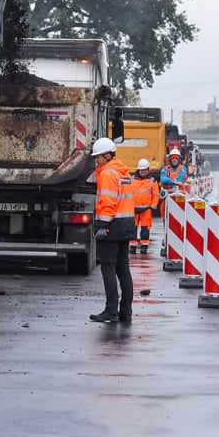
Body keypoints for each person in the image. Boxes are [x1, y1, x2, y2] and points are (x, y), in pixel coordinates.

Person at [89, 137, 137, 324]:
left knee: (108, 268)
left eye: (99, 157)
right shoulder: (123, 173)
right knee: (123, 270)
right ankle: (125, 311)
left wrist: (102, 225)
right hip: (125, 225)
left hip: (112, 226)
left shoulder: (108, 174)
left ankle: (111, 311)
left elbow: (108, 202)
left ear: (108, 155)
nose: (96, 160)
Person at [130, 158, 162, 255]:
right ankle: (133, 245)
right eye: (141, 170)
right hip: (133, 209)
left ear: (148, 170)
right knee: (132, 228)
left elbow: (156, 195)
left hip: (146, 209)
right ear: (138, 170)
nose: (143, 172)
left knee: (145, 229)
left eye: (144, 170)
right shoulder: (132, 179)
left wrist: (153, 206)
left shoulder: (152, 181)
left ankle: (144, 246)